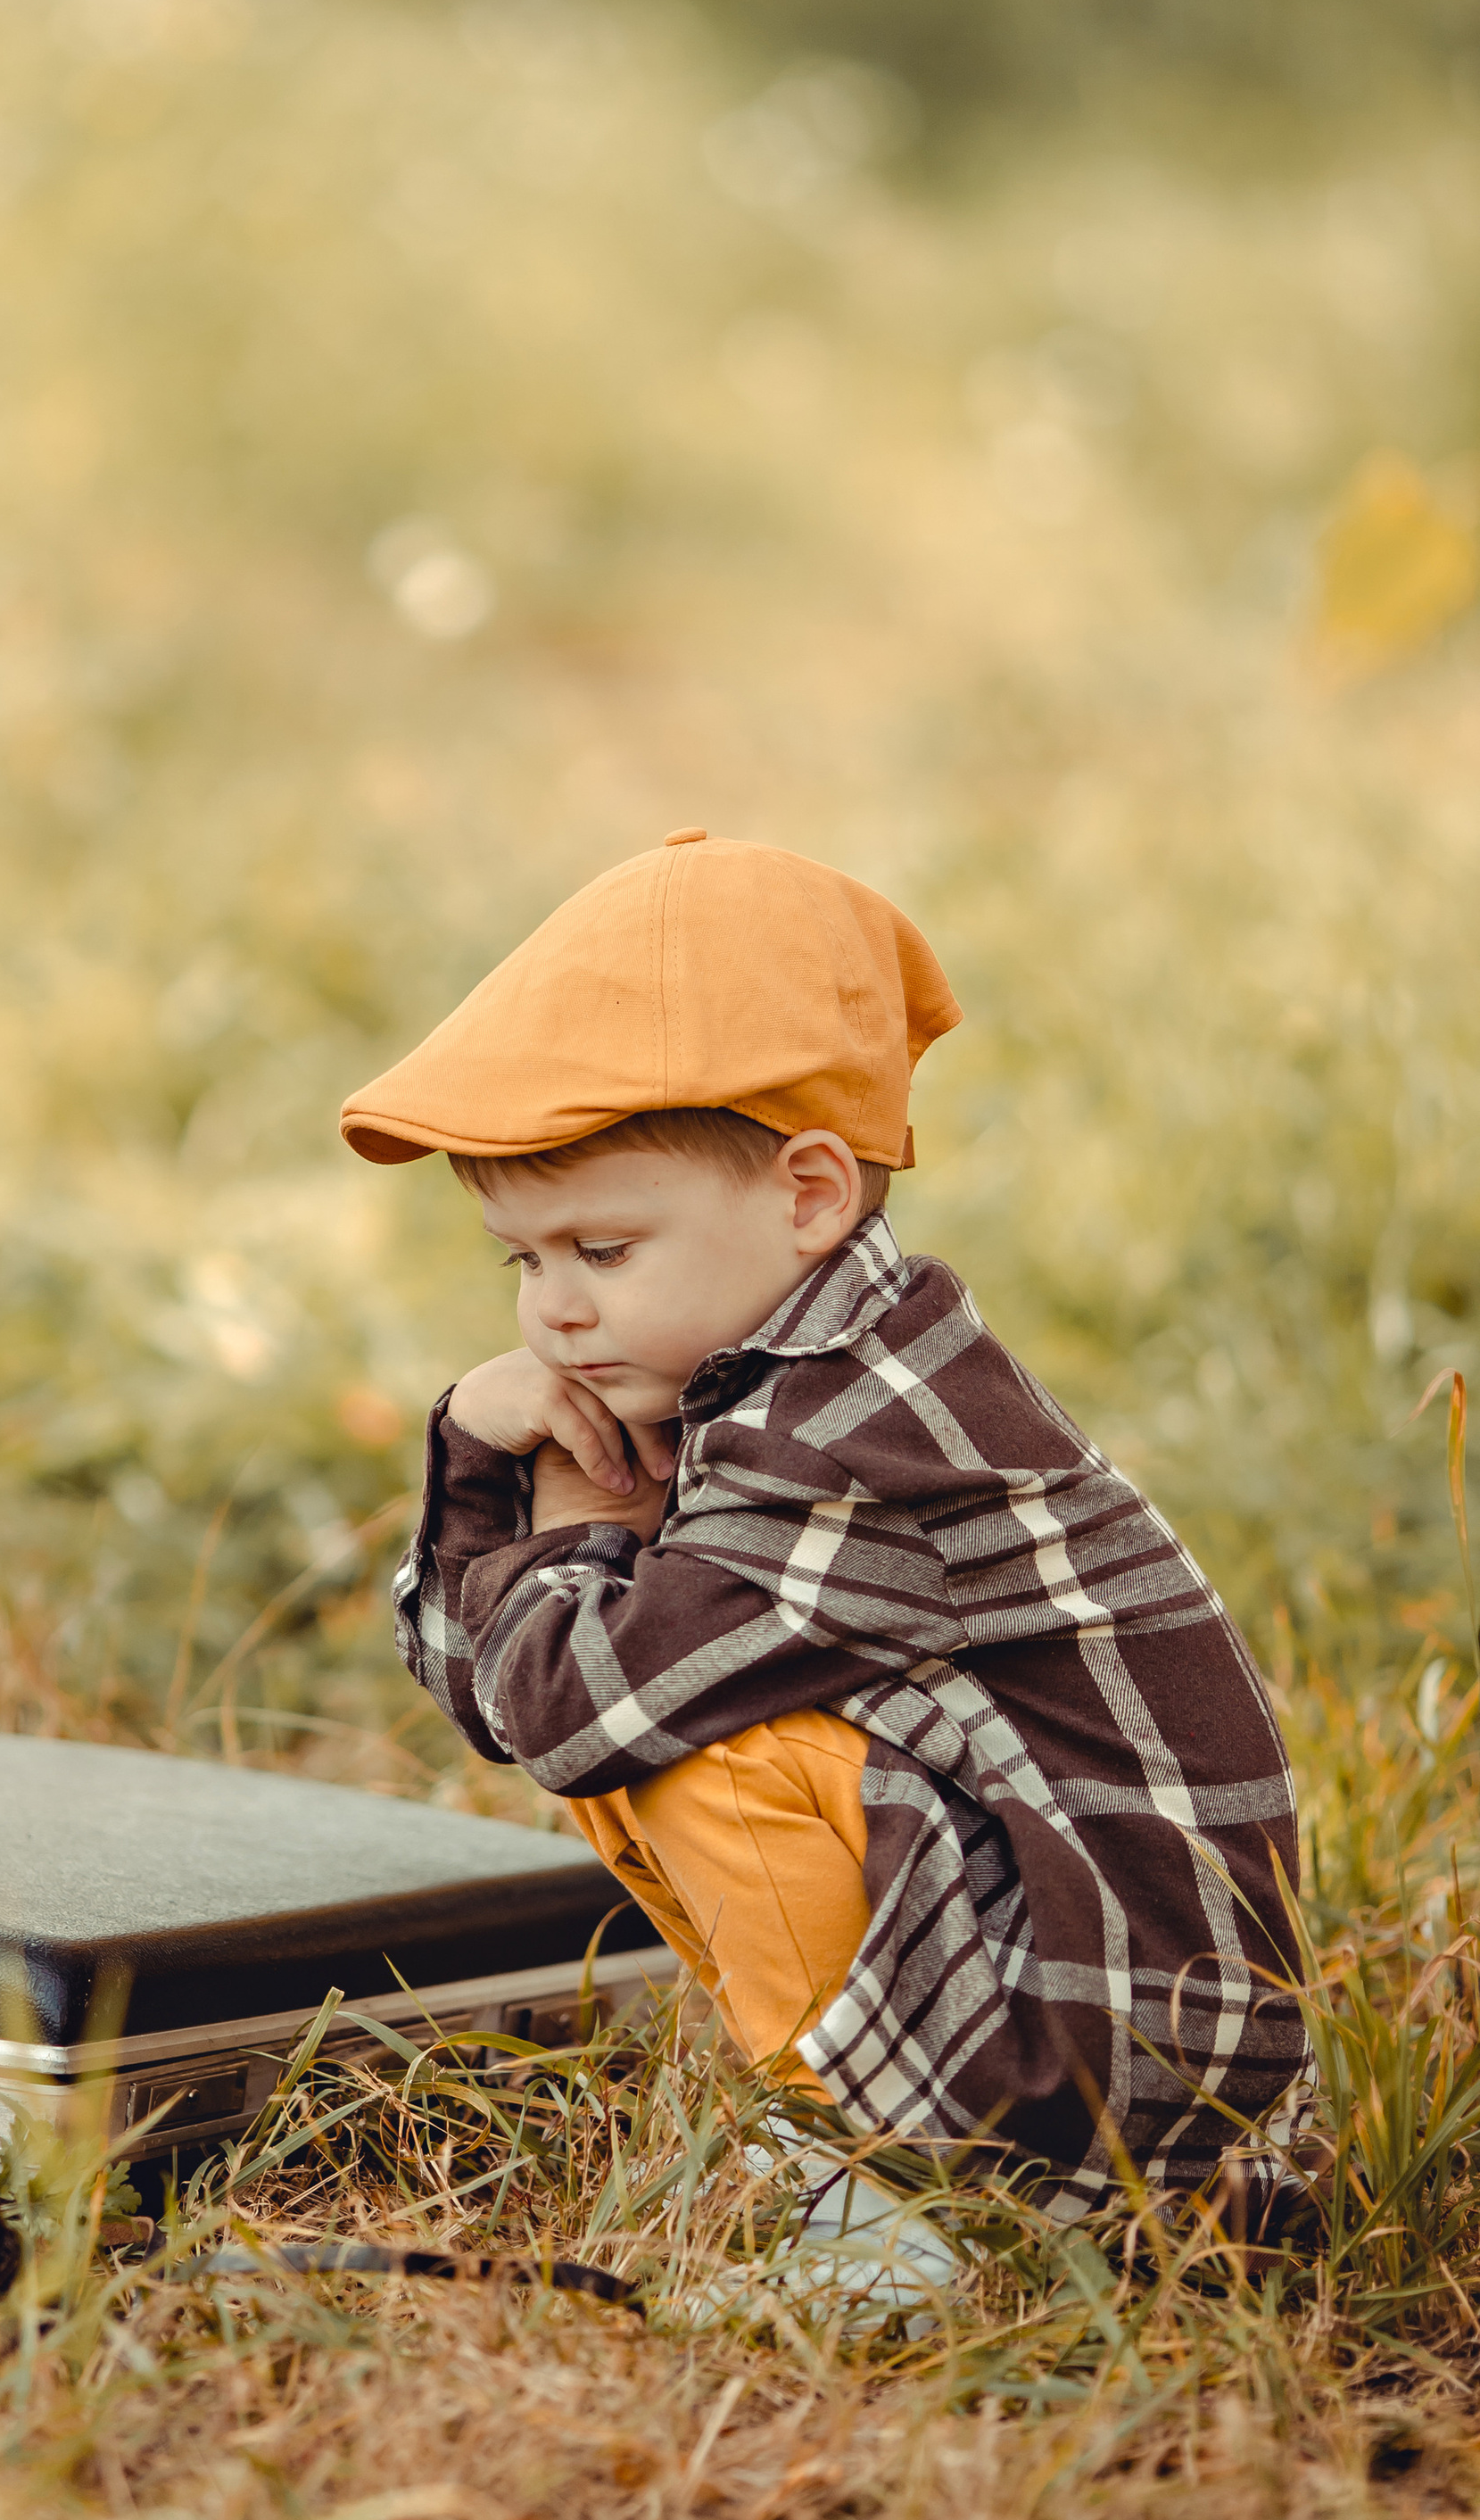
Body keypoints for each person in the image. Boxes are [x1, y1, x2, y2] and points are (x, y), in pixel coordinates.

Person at [341, 829, 1308, 2222]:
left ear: (808, 1194)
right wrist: (492, 1467)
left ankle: (888, 2206)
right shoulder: (770, 1370)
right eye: (523, 1259)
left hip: (1125, 2048)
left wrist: (534, 1509)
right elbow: (507, 1696)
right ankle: (823, 2113)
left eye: (602, 1251)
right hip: (1067, 1976)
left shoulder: (851, 1437)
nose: (552, 1309)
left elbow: (568, 1711)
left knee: (700, 1755)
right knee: (670, 1730)